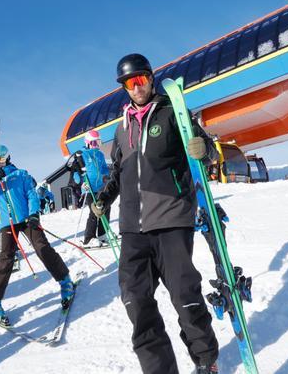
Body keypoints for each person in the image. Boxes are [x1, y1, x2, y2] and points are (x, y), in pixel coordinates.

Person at [93, 53, 220, 374]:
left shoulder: (171, 113)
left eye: (140, 80)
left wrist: (202, 151)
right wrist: (104, 199)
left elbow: (204, 148)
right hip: (132, 227)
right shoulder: (121, 129)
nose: (136, 88)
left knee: (184, 296)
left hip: (172, 218)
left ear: (150, 78)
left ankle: (206, 361)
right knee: (135, 302)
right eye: (129, 83)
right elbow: (118, 173)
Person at [0, 144, 73, 326]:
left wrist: (34, 213)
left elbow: (31, 194)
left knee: (42, 248)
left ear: (6, 157)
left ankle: (65, 280)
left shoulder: (20, 174)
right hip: (7, 223)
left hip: (27, 218)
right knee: (6, 259)